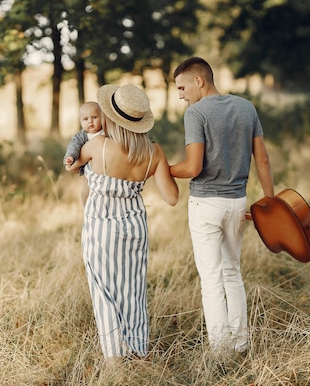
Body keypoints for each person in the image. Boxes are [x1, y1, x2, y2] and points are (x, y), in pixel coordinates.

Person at [65, 84, 178, 363]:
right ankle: (138, 351)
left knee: (104, 291)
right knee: (133, 291)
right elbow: (172, 197)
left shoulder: (96, 146)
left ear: (109, 117)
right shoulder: (155, 152)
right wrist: (164, 167)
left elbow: (71, 167)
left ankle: (115, 360)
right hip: (135, 228)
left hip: (100, 227)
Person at [169, 57, 274, 354]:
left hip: (206, 204)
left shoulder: (196, 113)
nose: (180, 94)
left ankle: (221, 352)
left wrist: (160, 168)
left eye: (182, 87)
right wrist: (268, 201)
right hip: (237, 203)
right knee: (232, 273)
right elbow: (263, 160)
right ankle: (241, 344)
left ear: (199, 80)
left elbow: (193, 167)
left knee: (211, 280)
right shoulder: (246, 107)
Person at [64, 101, 105, 206]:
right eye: (86, 119)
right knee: (86, 191)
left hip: (105, 170)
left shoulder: (106, 132)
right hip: (89, 172)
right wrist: (71, 156)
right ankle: (86, 207)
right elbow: (74, 145)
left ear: (102, 117)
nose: (90, 121)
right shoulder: (82, 136)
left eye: (95, 117)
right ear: (81, 122)